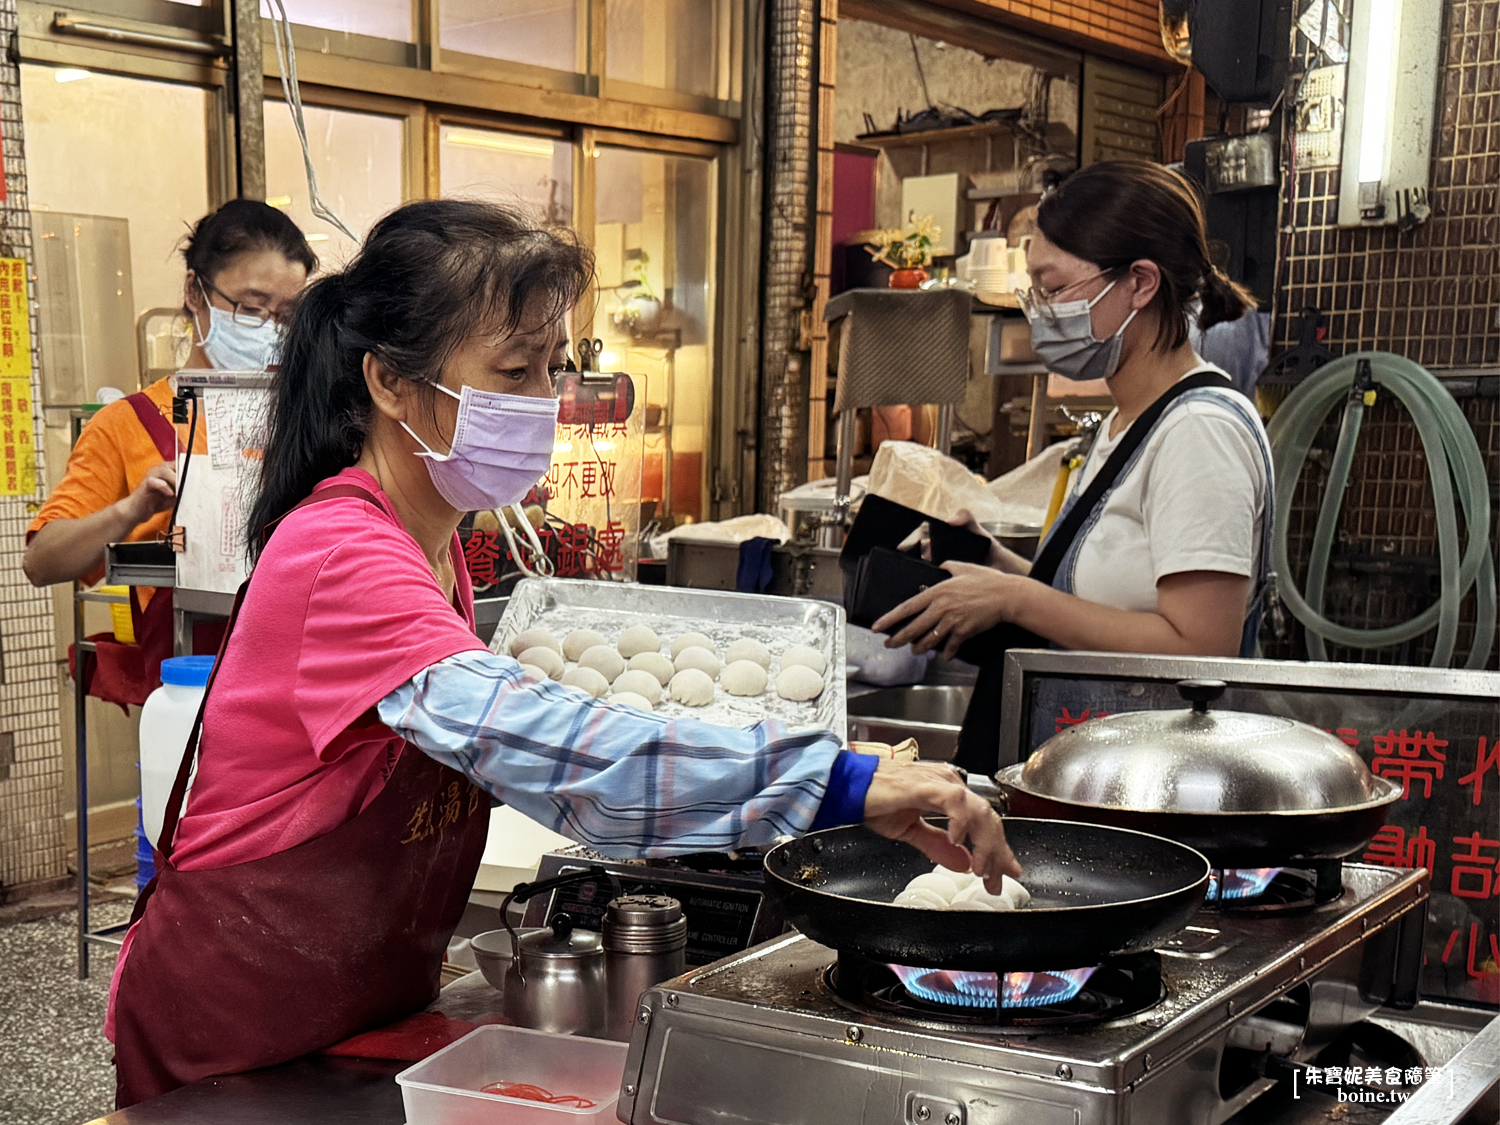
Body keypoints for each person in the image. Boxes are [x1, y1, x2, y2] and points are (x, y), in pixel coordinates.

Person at [108, 200, 1017, 1106]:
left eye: (553, 367)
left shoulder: (432, 543)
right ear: (389, 383)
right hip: (236, 1035)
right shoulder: (341, 552)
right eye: (513, 369)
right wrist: (841, 782)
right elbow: (551, 746)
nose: (546, 401)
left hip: (350, 1011)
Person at [874, 161, 1273, 771]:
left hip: (1152, 785)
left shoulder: (1200, 433)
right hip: (1097, 772)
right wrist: (995, 564)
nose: (1040, 314)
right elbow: (1111, 599)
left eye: (1054, 289)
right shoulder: (1128, 423)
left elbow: (1200, 647)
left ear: (1140, 283)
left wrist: (1014, 599)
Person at [23, 201, 315, 691]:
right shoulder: (128, 423)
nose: (269, 328)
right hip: (189, 688)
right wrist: (131, 510)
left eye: (287, 315)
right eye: (250, 307)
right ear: (194, 291)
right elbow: (41, 561)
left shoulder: (313, 416)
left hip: (305, 681)